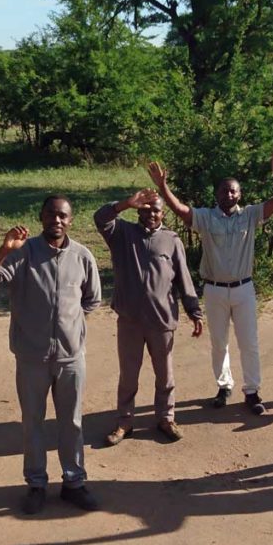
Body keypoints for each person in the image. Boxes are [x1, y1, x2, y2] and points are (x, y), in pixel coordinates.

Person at [0, 195, 102, 514]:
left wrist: (70, 327)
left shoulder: (82, 256)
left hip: (71, 358)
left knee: (72, 422)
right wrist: (3, 251)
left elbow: (92, 300)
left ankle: (74, 482)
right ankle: (36, 484)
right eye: (51, 215)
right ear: (41, 217)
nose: (57, 220)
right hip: (32, 357)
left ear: (71, 220)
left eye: (63, 216)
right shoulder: (22, 253)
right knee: (33, 423)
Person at [147, 148, 273, 415]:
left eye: (233, 191)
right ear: (217, 195)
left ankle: (252, 391)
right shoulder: (206, 218)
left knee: (249, 342)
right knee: (219, 342)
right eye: (224, 191)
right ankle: (224, 386)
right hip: (214, 290)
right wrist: (163, 187)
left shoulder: (250, 215)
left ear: (240, 194)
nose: (229, 195)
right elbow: (180, 210)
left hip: (244, 288)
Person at [93, 189, 204, 446]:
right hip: (130, 319)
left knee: (165, 374)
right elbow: (101, 218)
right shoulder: (121, 234)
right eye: (145, 208)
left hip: (161, 320)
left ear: (163, 213)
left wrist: (194, 312)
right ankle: (124, 421)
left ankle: (166, 418)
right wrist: (123, 204)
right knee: (128, 374)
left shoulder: (171, 240)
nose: (151, 213)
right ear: (138, 210)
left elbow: (184, 280)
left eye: (156, 209)